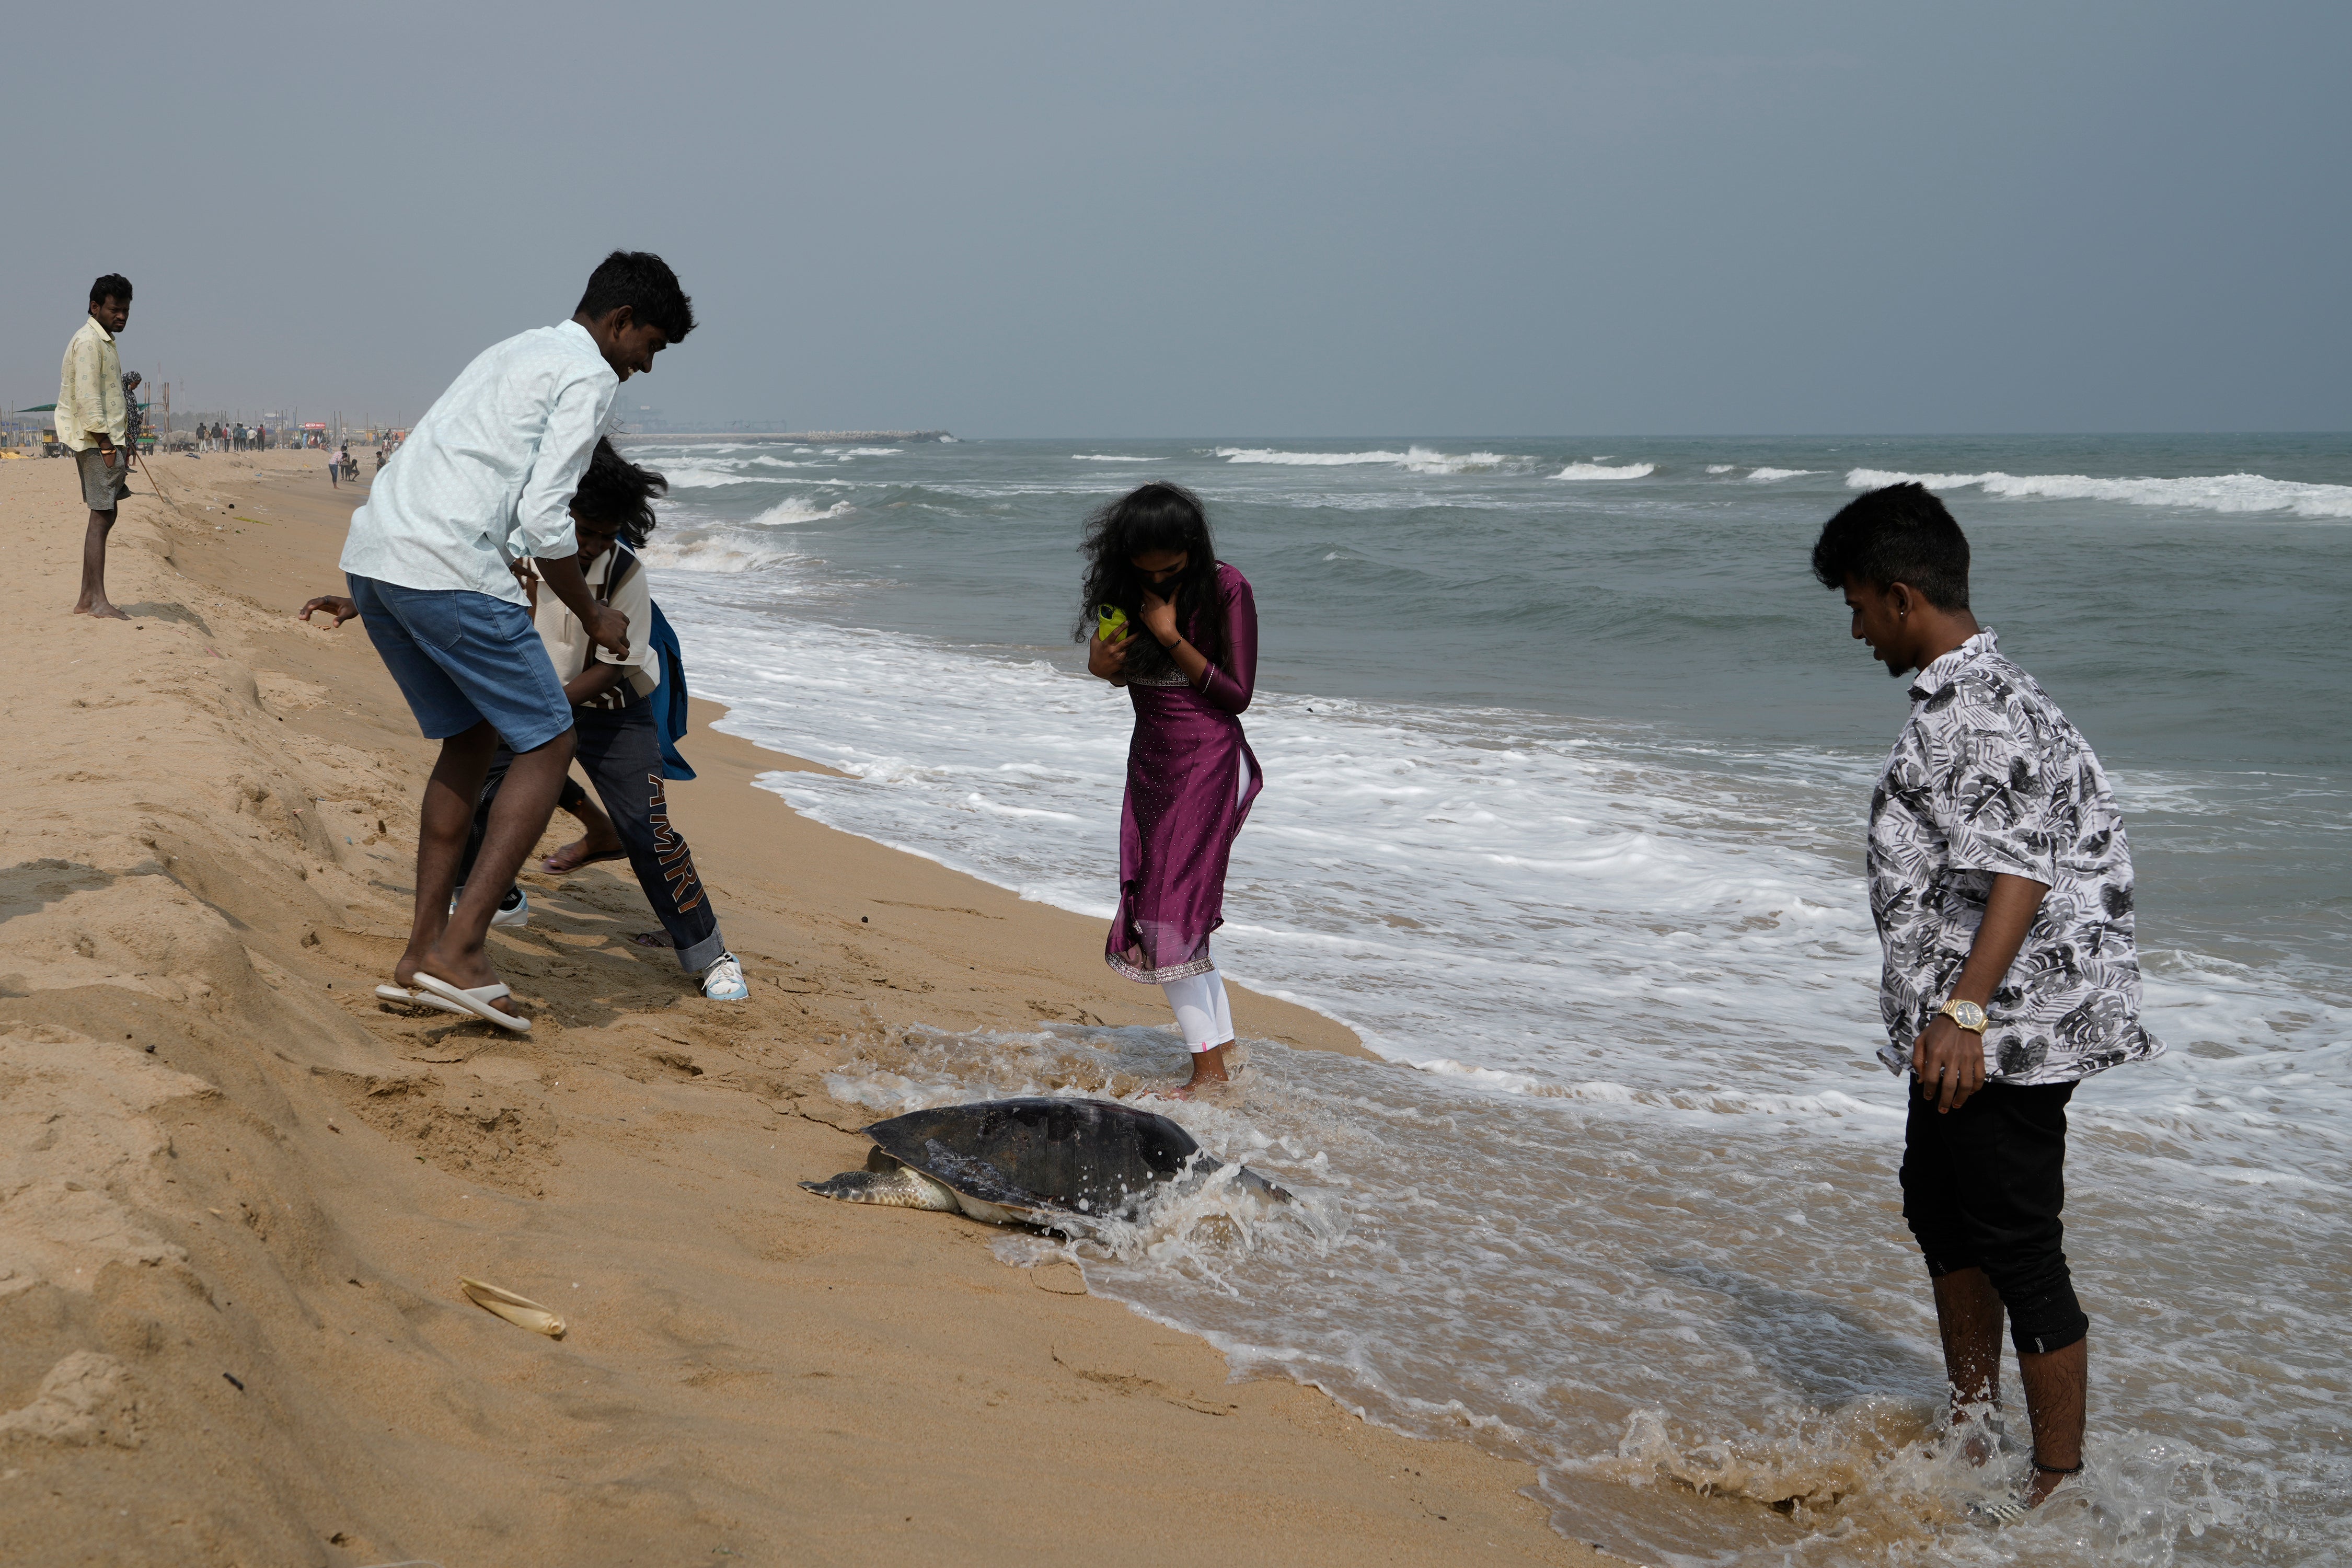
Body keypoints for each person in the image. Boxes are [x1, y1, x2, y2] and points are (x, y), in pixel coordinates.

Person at [1811, 482, 2163, 1518]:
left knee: (2018, 1240)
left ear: (1904, 597)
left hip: (2004, 1033)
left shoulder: (1980, 707)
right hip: (1961, 1030)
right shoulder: (1966, 698)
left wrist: (1965, 1014)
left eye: (1859, 604)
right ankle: (1972, 1428)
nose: (1857, 625)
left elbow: (2020, 871)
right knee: (1941, 1210)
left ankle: (2055, 1487)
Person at [295, 249, 694, 1031]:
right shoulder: (589, 377)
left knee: (470, 739)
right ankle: (463, 948)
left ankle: (420, 953)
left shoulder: (516, 349)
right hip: (446, 565)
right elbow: (549, 517)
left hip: (379, 559)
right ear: (620, 324)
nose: (646, 366)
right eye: (651, 346)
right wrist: (592, 614)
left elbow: (463, 466)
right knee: (547, 741)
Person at [448, 438, 746, 1001]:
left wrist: (544, 711)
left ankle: (710, 955)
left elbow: (614, 668)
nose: (591, 547)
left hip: (614, 711)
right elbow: (447, 587)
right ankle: (492, 899)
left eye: (605, 536)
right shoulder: (512, 552)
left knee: (649, 832)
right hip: (531, 701)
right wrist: (360, 601)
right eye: (583, 531)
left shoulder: (625, 573)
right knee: (480, 796)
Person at [1079, 483, 1261, 1096]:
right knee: (1174, 912)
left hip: (1207, 757)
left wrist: (1168, 632)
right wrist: (1104, 665)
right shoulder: (1124, 592)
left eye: (1172, 567)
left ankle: (1206, 1076)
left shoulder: (1227, 586)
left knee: (1166, 918)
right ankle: (1223, 1056)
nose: (1158, 577)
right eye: (1145, 567)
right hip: (1152, 758)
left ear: (1193, 549)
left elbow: (1238, 696)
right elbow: (1115, 674)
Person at [59, 274, 135, 619]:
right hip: (96, 442)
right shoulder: (89, 342)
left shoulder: (103, 341)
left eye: (126, 310)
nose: (122, 316)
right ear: (95, 307)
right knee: (101, 514)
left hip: (106, 440)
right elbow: (89, 400)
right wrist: (106, 444)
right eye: (115, 309)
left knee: (107, 512)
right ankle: (97, 602)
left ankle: (87, 598)